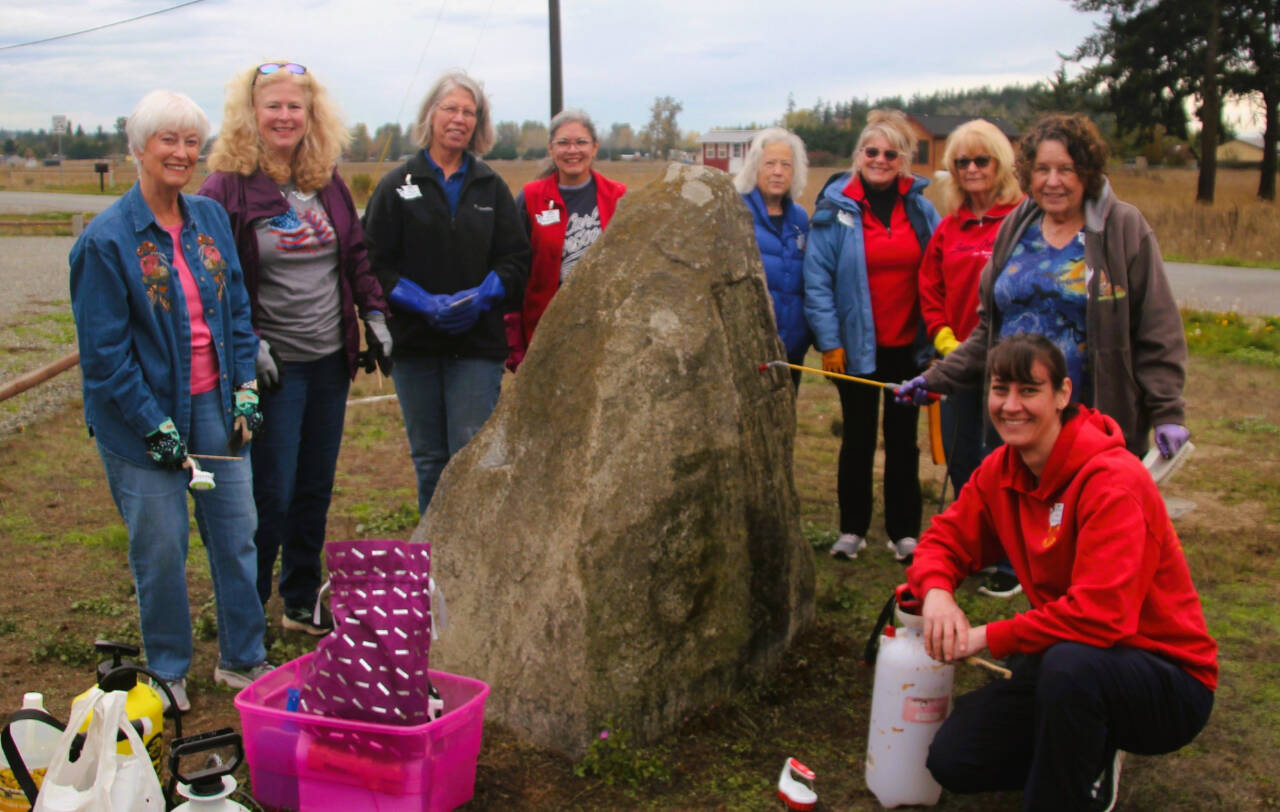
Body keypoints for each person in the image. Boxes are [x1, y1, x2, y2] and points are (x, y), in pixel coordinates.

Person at [906, 333, 1216, 811]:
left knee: (1071, 669)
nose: (1011, 406)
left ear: (1063, 395)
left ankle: (1068, 786)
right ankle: (1086, 747)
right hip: (1065, 661)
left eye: (1029, 391)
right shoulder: (1000, 470)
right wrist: (937, 594)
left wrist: (987, 635)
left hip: (1165, 677)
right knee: (955, 760)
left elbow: (1101, 616)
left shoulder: (1113, 482)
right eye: (999, 389)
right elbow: (943, 540)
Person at [70, 90, 273, 714]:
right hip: (140, 423)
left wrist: (245, 390)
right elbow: (105, 359)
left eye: (191, 142)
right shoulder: (106, 242)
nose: (181, 153)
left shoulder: (210, 219)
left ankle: (244, 657)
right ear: (138, 149)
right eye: (168, 141)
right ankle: (166, 670)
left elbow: (236, 309)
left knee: (238, 533)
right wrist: (156, 430)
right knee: (160, 549)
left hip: (214, 408)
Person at [198, 62, 389, 636]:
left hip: (330, 360)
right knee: (270, 492)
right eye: (273, 106)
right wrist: (245, 343)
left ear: (312, 116)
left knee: (314, 486)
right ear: (250, 114)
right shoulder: (225, 187)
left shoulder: (324, 180)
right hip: (272, 371)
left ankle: (301, 598)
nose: (284, 117)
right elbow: (212, 279)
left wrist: (374, 311)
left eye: (295, 107)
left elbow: (354, 254)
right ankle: (247, 609)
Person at [898, 112, 1190, 464]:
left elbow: (1157, 330)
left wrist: (1168, 412)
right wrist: (938, 377)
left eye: (1066, 169)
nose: (1053, 182)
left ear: (1088, 172)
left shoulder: (1123, 229)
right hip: (1017, 421)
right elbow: (990, 330)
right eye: (1042, 169)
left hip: (1091, 426)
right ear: (1027, 173)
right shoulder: (1017, 228)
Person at [363, 70, 530, 514]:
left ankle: (472, 564)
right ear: (431, 115)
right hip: (416, 346)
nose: (459, 119)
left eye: (469, 113)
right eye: (450, 109)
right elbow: (372, 263)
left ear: (479, 123)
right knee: (430, 459)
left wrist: (485, 295)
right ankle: (433, 564)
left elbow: (515, 259)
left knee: (469, 456)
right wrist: (418, 300)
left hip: (476, 346)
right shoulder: (396, 185)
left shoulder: (491, 186)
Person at [803, 109, 940, 563]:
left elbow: (938, 275)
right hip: (855, 349)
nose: (879, 159)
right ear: (859, 154)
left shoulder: (921, 210)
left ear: (904, 160)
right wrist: (830, 342)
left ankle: (904, 532)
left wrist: (939, 341)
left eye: (890, 153)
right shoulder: (834, 209)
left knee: (903, 440)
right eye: (871, 151)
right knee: (858, 438)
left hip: (908, 349)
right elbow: (818, 281)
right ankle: (852, 529)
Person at [917, 118, 1025, 597]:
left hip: (1013, 366)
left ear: (1000, 164)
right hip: (959, 358)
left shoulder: (1024, 219)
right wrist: (944, 341)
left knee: (1007, 458)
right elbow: (930, 287)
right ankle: (977, 548)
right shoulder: (949, 228)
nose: (972, 169)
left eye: (981, 160)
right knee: (964, 460)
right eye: (962, 162)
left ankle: (1014, 560)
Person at [507, 108, 626, 372]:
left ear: (594, 147)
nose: (573, 150)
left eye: (581, 142)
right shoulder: (530, 198)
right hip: (544, 333)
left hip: (604, 331)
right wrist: (514, 341)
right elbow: (513, 270)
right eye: (563, 143)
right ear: (551, 148)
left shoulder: (618, 197)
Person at [735, 127, 811, 389]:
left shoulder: (800, 219)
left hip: (792, 349)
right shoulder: (735, 211)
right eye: (770, 163)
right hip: (748, 351)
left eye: (786, 165)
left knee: (785, 423)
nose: (778, 171)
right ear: (755, 167)